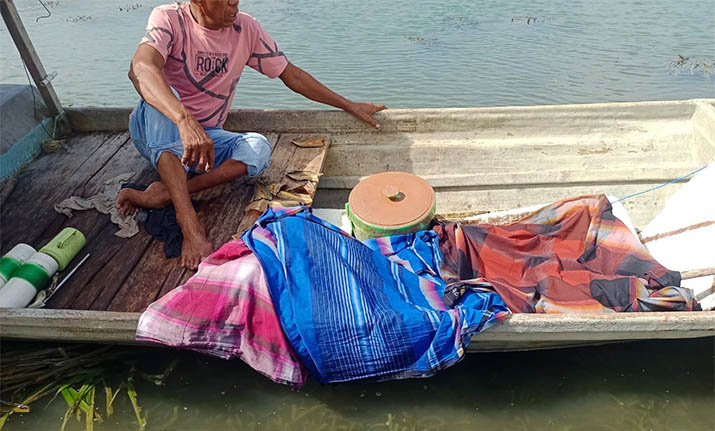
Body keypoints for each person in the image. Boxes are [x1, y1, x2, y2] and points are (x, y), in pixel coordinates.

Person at [115, 0, 386, 269]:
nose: (235, 2)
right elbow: (139, 69)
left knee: (258, 148)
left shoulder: (245, 28)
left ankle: (165, 193)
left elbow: (292, 75)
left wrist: (349, 105)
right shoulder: (169, 18)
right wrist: (183, 119)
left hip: (208, 137)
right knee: (161, 97)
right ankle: (188, 221)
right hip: (156, 131)